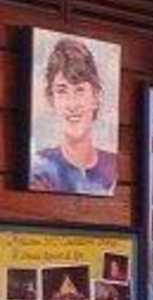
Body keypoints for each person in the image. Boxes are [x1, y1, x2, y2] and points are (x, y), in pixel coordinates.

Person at [27, 37, 117, 195]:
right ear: (51, 99)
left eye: (80, 90)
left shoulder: (112, 165)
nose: (72, 104)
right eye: (62, 91)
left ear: (96, 96)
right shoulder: (40, 168)